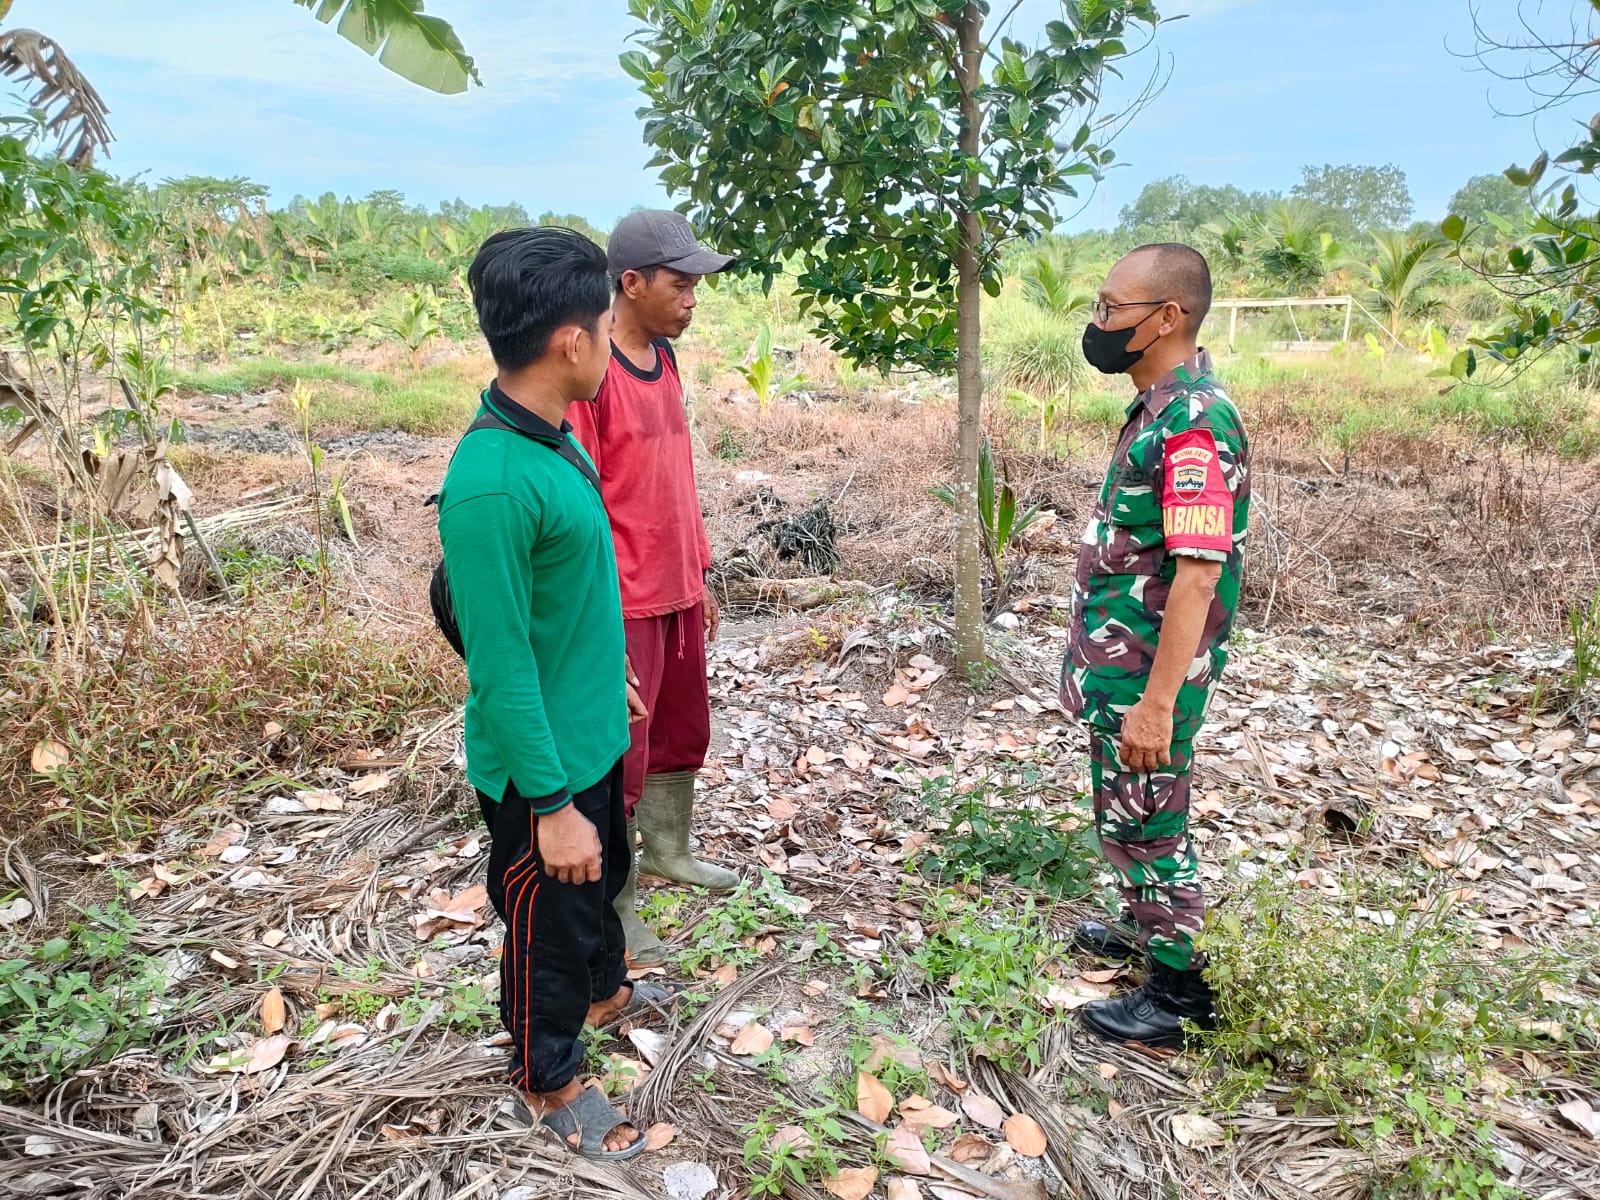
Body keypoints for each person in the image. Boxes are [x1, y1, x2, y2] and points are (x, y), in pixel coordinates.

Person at [435, 226, 668, 1160]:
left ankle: (606, 989)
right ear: (573, 341)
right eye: (606, 323)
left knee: (600, 888)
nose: (614, 340)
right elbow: (498, 664)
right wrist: (550, 807)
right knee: (546, 921)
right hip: (543, 771)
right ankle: (549, 1073)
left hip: (590, 733)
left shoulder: (553, 436)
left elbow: (560, 599)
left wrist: (605, 676)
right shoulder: (492, 481)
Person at [1060, 243, 1251, 1050]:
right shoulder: (1159, 409)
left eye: (1112, 309)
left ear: (1167, 318)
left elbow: (1199, 577)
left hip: (1148, 679)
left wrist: (1156, 706)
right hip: (1122, 668)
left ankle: (1179, 993)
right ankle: (1148, 925)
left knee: (1149, 826)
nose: (1099, 324)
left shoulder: (1195, 420)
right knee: (1130, 813)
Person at [566, 209, 738, 965]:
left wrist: (700, 569)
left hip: (678, 587)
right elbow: (582, 502)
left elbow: (676, 475)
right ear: (629, 284)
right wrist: (598, 616)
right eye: (680, 283)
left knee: (677, 735)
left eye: (697, 283)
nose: (693, 297)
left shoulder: (664, 359)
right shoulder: (591, 372)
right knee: (621, 757)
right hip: (625, 598)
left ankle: (670, 849)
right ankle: (617, 901)